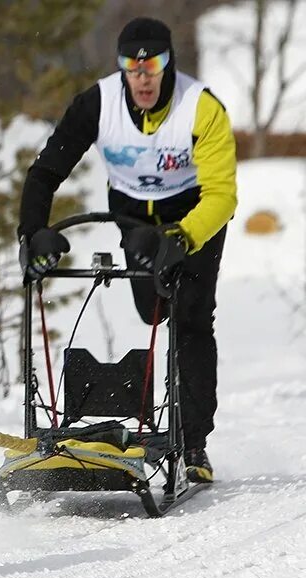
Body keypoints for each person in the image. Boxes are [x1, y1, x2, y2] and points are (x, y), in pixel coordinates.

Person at [18, 17, 237, 483]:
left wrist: (182, 238)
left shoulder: (200, 107)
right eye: (130, 67)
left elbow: (222, 195)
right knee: (151, 311)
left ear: (167, 63)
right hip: (135, 220)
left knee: (191, 317)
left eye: (151, 65)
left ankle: (193, 442)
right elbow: (45, 172)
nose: (141, 77)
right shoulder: (99, 103)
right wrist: (32, 231)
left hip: (195, 218)